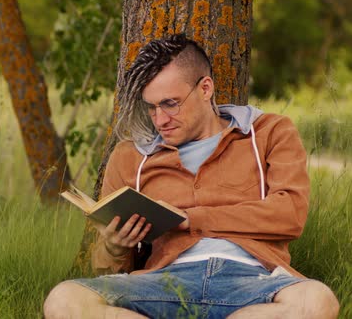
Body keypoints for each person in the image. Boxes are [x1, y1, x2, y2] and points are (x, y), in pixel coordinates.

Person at [43, 34, 340, 318]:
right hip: (163, 283)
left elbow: (289, 214)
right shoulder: (130, 157)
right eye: (152, 107)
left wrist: (191, 219)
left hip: (252, 281)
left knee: (317, 301)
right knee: (64, 300)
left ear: (205, 88)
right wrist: (113, 247)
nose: (160, 119)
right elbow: (108, 273)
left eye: (170, 104)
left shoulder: (268, 132)